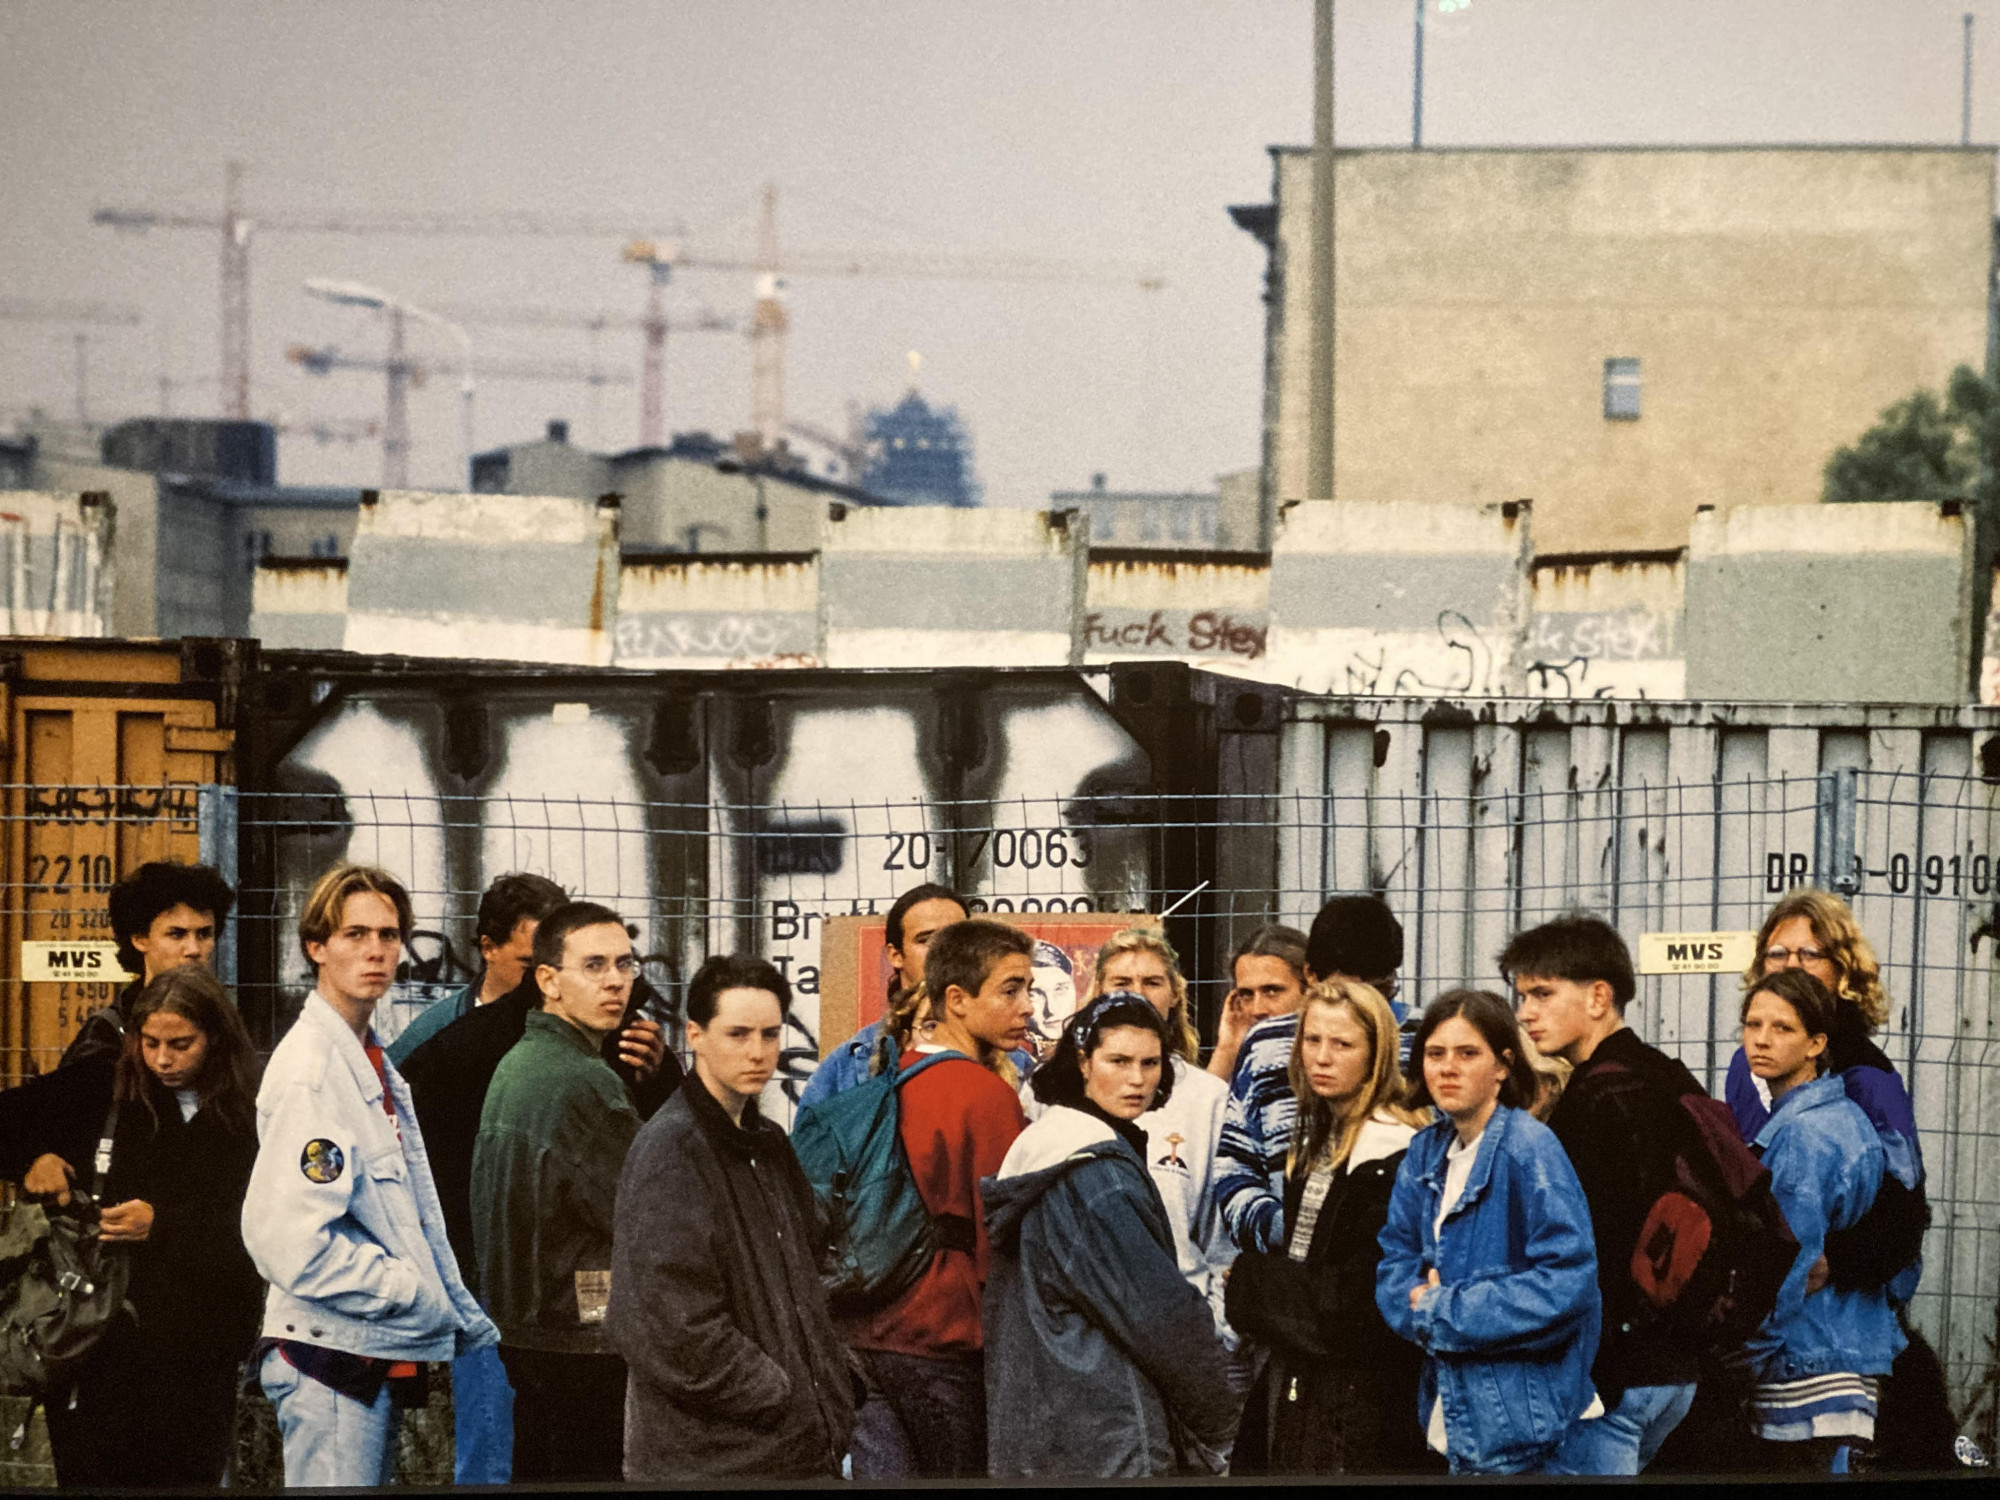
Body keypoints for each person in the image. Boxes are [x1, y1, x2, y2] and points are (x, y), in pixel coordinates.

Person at [240, 863, 499, 1489]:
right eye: (355, 934)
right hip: (331, 1362)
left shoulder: (367, 1058)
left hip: (361, 1354)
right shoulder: (313, 1070)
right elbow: (289, 1244)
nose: (377, 951)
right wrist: (407, 1290)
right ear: (316, 947)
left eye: (388, 935)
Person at [1722, 888, 1951, 1471]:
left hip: (1825, 1325)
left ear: (1842, 969)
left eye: (1810, 954)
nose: (1792, 965)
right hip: (1773, 1313)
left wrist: (1837, 1260)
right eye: (1778, 954)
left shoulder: (1865, 1076)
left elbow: (1902, 1211)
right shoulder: (1748, 1064)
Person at [609, 954, 856, 1482]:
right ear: (695, 1035)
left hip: (788, 1450)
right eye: (738, 1034)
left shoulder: (767, 1142)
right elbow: (670, 1323)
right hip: (715, 1460)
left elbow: (812, 1267)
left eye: (770, 1035)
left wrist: (834, 1376)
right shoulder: (671, 1149)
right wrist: (778, 1393)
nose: (758, 1053)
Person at [21, 966, 263, 1487]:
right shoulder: (102, 1085)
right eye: (149, 1042)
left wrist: (164, 1226)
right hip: (100, 1349)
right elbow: (14, 1117)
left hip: (198, 1354)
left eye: (181, 1044)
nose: (162, 1060)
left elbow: (257, 1225)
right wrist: (35, 1157)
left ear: (215, 1038)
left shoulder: (250, 1112)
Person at [983, 992, 1236, 1477]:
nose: (1137, 1079)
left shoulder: (1051, 1147)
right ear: (1083, 1062)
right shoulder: (1097, 1177)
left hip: (1045, 1426)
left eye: (1151, 1062)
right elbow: (1163, 1318)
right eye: (1118, 1061)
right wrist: (1220, 1423)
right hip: (1110, 1433)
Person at [380, 870, 565, 1486]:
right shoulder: (433, 1042)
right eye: (526, 961)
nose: (544, 979)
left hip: (562, 1273)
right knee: (490, 1434)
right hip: (480, 1266)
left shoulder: (583, 1034)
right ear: (486, 948)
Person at [1504, 914, 1705, 1475]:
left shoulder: (1594, 1100)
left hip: (1608, 1378)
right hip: (1676, 1370)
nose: (1524, 1013)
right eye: (1521, 996)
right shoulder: (1670, 1076)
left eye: (1542, 993)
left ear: (1599, 997)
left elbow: (1579, 1251)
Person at [1376, 989, 1601, 1475]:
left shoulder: (1530, 1150)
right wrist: (1416, 1306)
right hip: (1453, 1414)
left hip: (1524, 1426)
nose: (1447, 1068)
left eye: (1467, 1053)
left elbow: (1568, 1282)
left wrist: (1444, 1308)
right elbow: (1394, 1261)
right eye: (1435, 1054)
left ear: (1503, 1066)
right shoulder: (1424, 1153)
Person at [844, 917, 1033, 1480]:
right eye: (1010, 989)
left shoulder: (888, 1083)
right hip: (943, 1343)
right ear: (956, 999)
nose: (1027, 1006)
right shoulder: (987, 1096)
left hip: (865, 1338)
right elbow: (1000, 1243)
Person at [1225, 979, 1430, 1475]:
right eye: (1312, 1040)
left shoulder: (1391, 1148)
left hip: (1359, 1404)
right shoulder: (1325, 1136)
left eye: (1342, 1044)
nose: (1321, 1056)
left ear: (1376, 1054)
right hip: (1312, 1387)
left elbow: (1353, 1306)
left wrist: (1250, 1281)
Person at [470, 901, 643, 1482]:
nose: (615, 980)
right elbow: (644, 1217)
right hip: (581, 1340)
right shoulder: (583, 1080)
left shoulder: (521, 1062)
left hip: (527, 1332)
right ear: (547, 979)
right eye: (593, 965)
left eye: (625, 964)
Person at [1736, 969, 1905, 1470]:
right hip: (1849, 1355)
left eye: (1782, 1028)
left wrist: (1743, 1356)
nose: (1761, 1039)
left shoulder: (1804, 1136)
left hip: (1806, 1365)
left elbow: (1789, 1263)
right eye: (1752, 1024)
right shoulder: (1843, 1117)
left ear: (1816, 1043)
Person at [1217, 897, 1404, 1256]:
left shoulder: (1432, 1042)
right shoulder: (1267, 1045)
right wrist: (1286, 1231)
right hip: (1290, 1264)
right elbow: (1233, 1164)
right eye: (1341, 994)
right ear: (1311, 976)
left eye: (1377, 993)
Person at [1085, 928, 1237, 1358]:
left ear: (1174, 995)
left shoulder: (1207, 1097)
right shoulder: (1052, 1091)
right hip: (1089, 1330)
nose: (1137, 994)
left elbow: (1220, 1236)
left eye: (1152, 982)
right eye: (1121, 982)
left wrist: (1218, 1334)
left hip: (1181, 1327)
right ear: (1097, 992)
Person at [799, 883, 968, 1110]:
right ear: (896, 955)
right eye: (926, 940)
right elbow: (811, 1143)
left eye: (958, 938)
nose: (946, 951)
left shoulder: (1011, 1059)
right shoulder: (846, 1066)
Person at [54, 860, 235, 1070]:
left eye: (204, 934)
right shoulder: (108, 1035)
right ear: (140, 939)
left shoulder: (223, 1023)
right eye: (177, 934)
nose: (194, 949)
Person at [388, 871, 566, 1067]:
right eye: (529, 966)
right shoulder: (436, 1031)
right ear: (488, 948)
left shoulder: (586, 1023)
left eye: (559, 966)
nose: (548, 980)